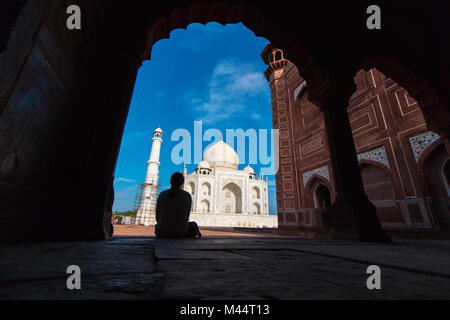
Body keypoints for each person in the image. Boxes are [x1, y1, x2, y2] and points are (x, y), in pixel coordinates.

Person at [155, 172, 201, 238]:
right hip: (181, 232)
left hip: (161, 231)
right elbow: (186, 217)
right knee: (193, 225)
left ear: (170, 181)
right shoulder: (187, 196)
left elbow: (157, 218)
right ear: (182, 183)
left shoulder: (162, 195)